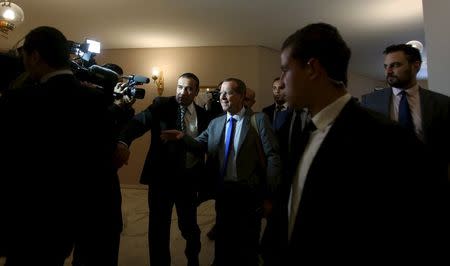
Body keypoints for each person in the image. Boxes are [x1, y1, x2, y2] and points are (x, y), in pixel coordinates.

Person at [272, 22, 446, 264]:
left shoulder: (387, 139)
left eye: (285, 70)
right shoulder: (306, 132)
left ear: (312, 68)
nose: (280, 82)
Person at [0, 26, 115, 265]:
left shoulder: (19, 100)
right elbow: (102, 158)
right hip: (72, 216)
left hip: (28, 217)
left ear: (35, 56)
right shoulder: (95, 100)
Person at [161, 78, 281, 266]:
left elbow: (273, 157)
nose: (223, 97)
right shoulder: (216, 123)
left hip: (249, 194)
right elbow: (199, 144)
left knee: (247, 246)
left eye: (229, 92)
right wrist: (182, 136)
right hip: (224, 192)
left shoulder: (258, 120)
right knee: (223, 243)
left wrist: (270, 195)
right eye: (221, 93)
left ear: (241, 96)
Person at [114, 73, 209, 266]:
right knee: (158, 229)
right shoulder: (162, 105)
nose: (183, 92)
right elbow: (138, 123)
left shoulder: (204, 114)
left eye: (189, 88)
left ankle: (193, 258)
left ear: (196, 91)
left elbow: (207, 145)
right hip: (161, 180)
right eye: (180, 87)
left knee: (189, 227)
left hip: (189, 181)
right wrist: (123, 141)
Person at [361, 43, 450, 179]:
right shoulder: (370, 101)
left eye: (395, 65)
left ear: (416, 66)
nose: (388, 71)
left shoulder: (442, 103)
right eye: (386, 66)